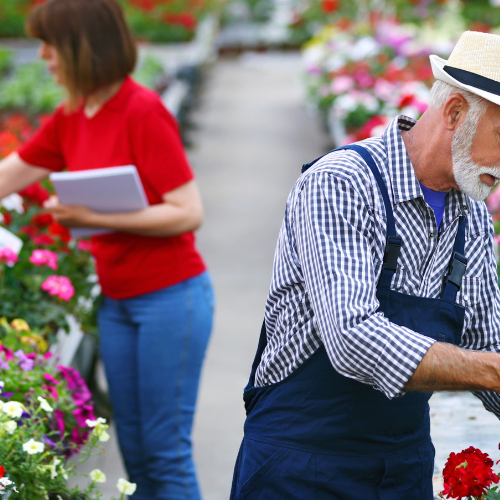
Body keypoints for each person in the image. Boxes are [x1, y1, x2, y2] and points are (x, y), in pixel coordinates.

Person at [230, 30, 500, 500]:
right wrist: (493, 370)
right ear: (456, 113)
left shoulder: (470, 213)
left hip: (402, 468)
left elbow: (486, 341)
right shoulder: (343, 183)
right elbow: (353, 338)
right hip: (299, 465)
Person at [0, 0, 214, 498]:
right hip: (118, 303)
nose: (43, 56)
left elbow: (187, 211)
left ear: (82, 45)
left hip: (170, 299)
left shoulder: (141, 110)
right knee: (135, 450)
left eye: (50, 44)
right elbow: (9, 174)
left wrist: (90, 218)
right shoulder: (73, 114)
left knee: (164, 451)